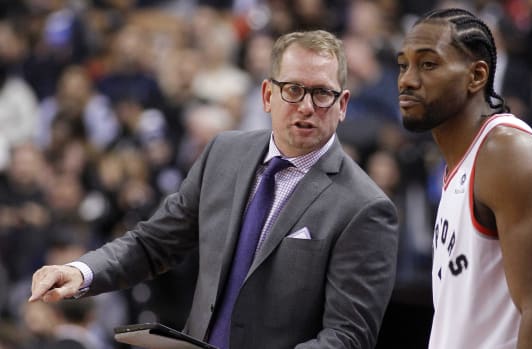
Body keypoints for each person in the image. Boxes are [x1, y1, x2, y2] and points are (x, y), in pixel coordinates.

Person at [29, 30, 399, 349]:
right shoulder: (225, 152)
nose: (306, 106)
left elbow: (348, 337)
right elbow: (153, 243)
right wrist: (82, 272)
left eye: (321, 93)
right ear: (268, 95)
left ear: (343, 104)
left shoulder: (364, 207)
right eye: (294, 89)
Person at [396, 8, 532, 348]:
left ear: (477, 76)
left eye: (428, 64)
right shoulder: (462, 163)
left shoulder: (508, 155)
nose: (407, 79)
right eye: (403, 64)